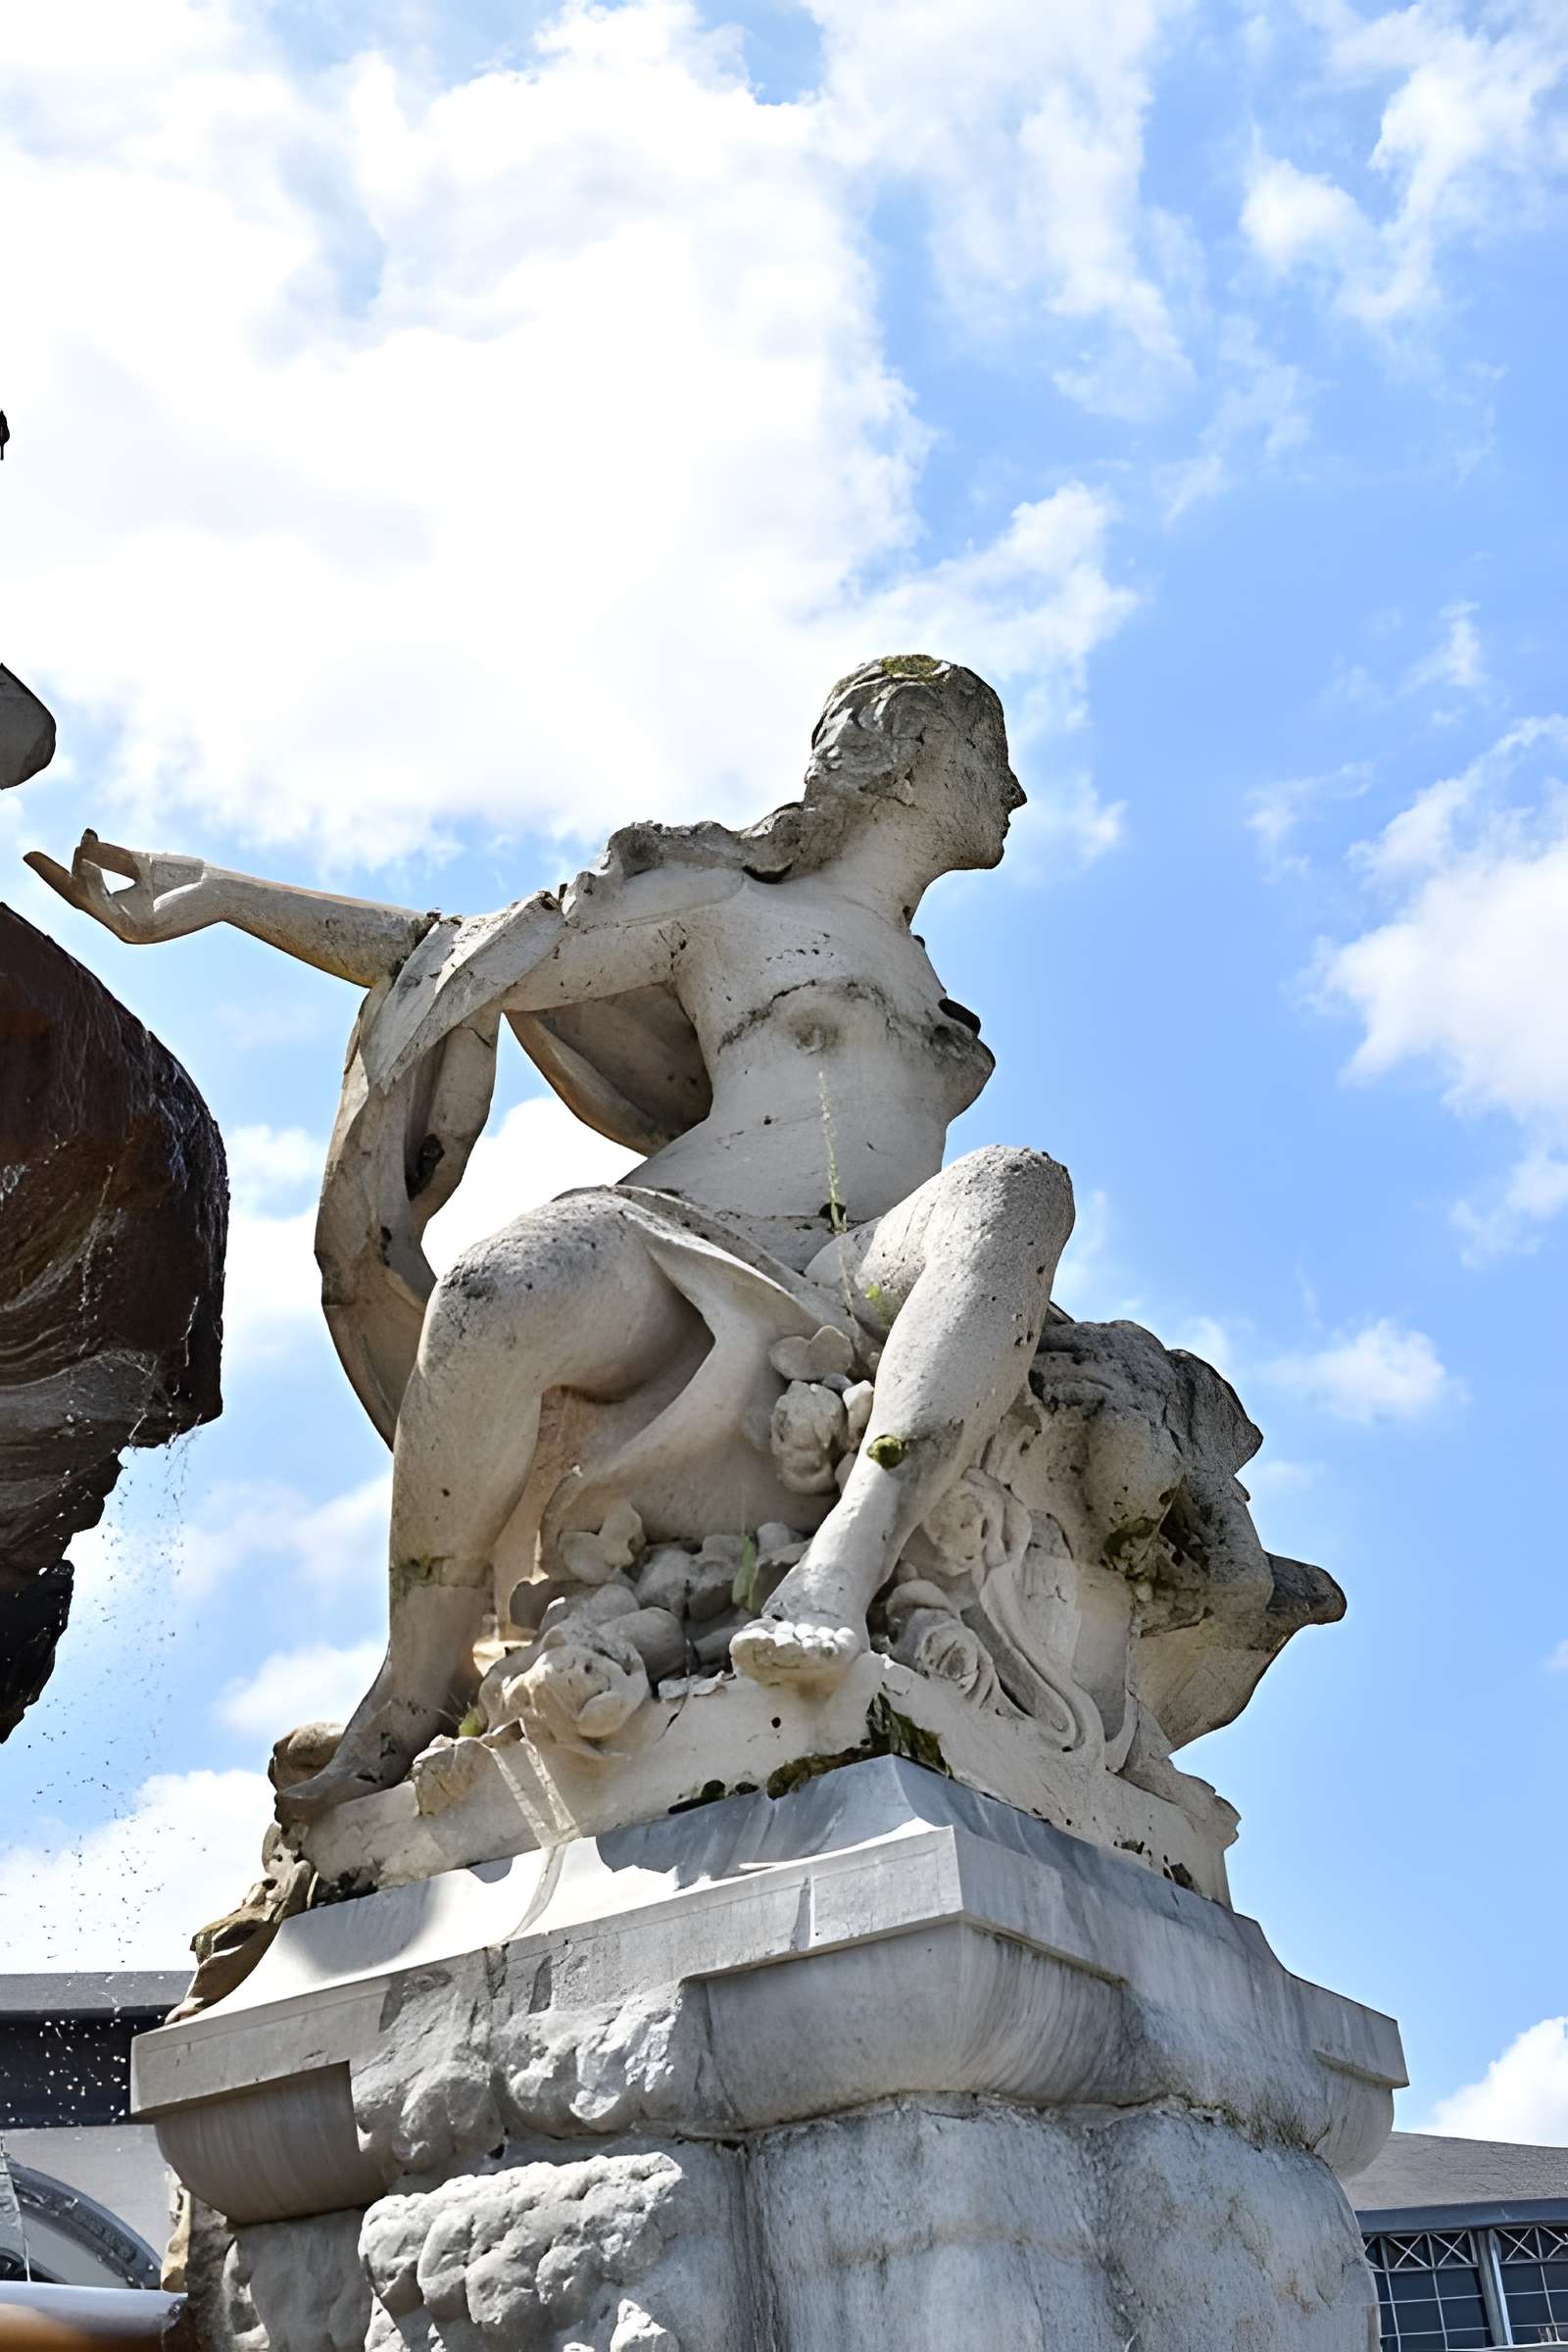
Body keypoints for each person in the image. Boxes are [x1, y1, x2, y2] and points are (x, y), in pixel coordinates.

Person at [28, 657, 1072, 1813]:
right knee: (491, 1293)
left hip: (863, 1258)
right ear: (908, 757)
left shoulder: (925, 977)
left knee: (1018, 1187)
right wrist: (227, 894)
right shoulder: (733, 905)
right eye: (991, 757)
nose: (1014, 794)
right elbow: (475, 956)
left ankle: (841, 1567)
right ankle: (415, 1678)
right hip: (691, 1229)